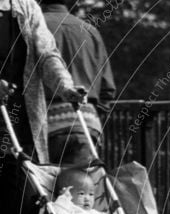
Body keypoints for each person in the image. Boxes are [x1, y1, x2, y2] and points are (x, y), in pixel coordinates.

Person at [0, 0, 83, 214]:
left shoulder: (26, 7)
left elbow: (47, 54)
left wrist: (66, 87)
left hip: (21, 120)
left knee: (24, 203)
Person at [40, 0, 115, 165]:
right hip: (87, 122)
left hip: (47, 122)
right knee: (83, 186)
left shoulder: (35, 26)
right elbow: (107, 89)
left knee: (46, 185)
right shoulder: (90, 30)